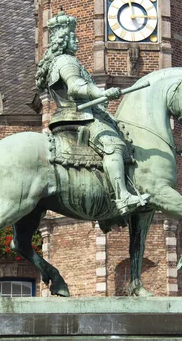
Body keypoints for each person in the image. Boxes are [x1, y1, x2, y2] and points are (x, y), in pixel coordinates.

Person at [36, 11, 148, 215]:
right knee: (113, 146)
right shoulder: (67, 61)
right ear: (65, 39)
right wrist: (102, 92)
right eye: (73, 36)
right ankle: (122, 196)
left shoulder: (58, 61)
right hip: (79, 117)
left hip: (68, 116)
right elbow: (76, 87)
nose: (76, 40)